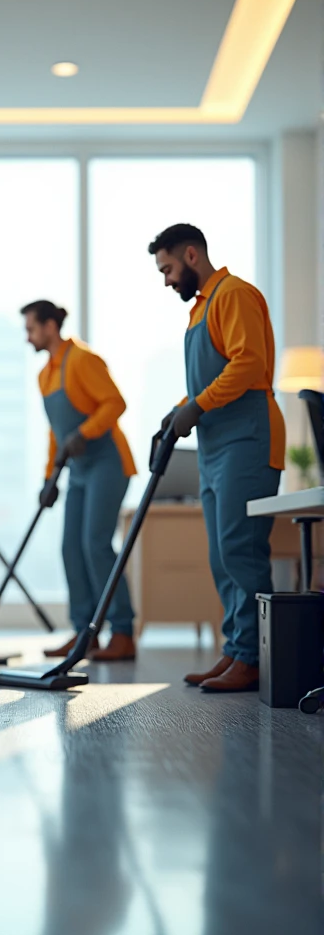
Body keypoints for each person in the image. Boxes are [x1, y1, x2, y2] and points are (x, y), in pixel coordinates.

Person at [149, 223, 285, 692]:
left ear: (191, 255)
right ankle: (236, 650)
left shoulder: (234, 294)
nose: (167, 280)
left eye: (167, 269)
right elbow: (209, 378)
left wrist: (198, 405)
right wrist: (181, 408)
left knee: (241, 549)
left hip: (248, 438)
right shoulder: (200, 310)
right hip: (214, 445)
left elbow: (248, 364)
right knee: (221, 554)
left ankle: (252, 659)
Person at [21, 301, 137, 661]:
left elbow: (115, 403)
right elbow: (56, 433)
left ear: (51, 326)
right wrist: (49, 478)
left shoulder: (84, 360)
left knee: (96, 545)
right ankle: (85, 633)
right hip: (78, 471)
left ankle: (123, 633)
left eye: (32, 329)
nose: (28, 337)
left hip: (108, 463)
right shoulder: (45, 374)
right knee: (71, 547)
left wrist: (85, 432)